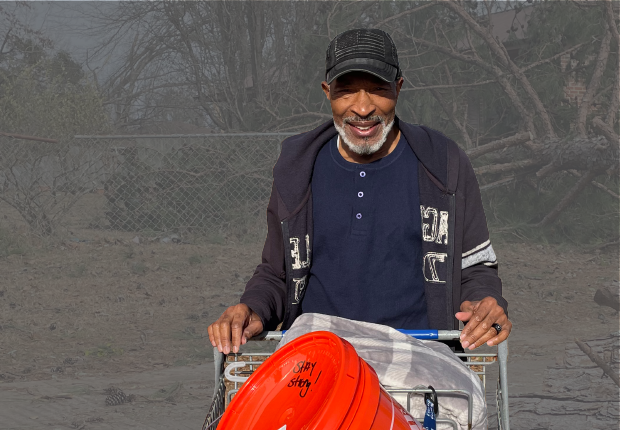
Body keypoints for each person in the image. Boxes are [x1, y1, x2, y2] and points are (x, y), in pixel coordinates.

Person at [208, 28, 511, 355]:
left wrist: (482, 304)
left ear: (398, 88)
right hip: (320, 358)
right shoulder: (297, 168)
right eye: (347, 91)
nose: (363, 108)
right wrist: (251, 308)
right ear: (327, 92)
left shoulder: (443, 163)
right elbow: (276, 273)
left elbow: (476, 265)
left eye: (378, 89)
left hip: (418, 358)